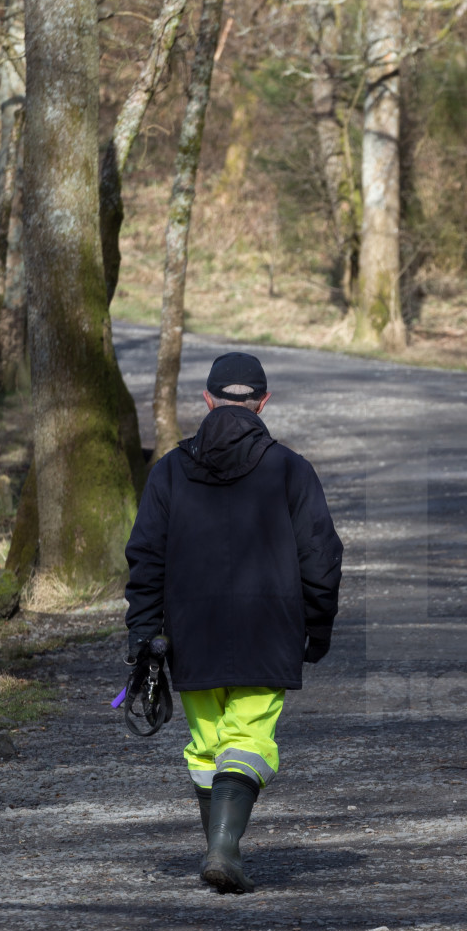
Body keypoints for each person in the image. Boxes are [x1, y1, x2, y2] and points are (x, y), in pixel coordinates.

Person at [124, 351, 343, 892]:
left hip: (189, 635)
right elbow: (322, 559)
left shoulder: (169, 471)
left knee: (206, 747)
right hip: (268, 631)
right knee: (248, 739)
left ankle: (221, 850)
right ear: (263, 403)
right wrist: (317, 629)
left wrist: (144, 632)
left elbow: (146, 556)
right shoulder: (292, 469)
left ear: (207, 399)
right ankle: (225, 849)